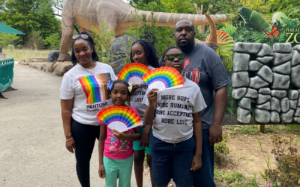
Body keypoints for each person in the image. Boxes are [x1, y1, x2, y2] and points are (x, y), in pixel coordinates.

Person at [171, 19, 231, 187]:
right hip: (177, 129)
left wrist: (217, 123)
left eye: (188, 29)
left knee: (203, 179)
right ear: (174, 34)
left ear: (194, 34)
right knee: (182, 178)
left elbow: (221, 87)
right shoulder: (170, 56)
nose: (183, 33)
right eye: (179, 30)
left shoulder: (207, 54)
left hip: (203, 127)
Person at [143, 46, 207, 187]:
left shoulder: (193, 88)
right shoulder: (154, 87)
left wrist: (198, 154)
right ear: (164, 62)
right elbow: (147, 120)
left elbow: (197, 121)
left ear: (185, 61)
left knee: (184, 183)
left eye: (180, 56)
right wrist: (151, 105)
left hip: (184, 145)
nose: (176, 59)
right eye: (171, 57)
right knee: (159, 183)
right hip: (160, 143)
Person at [60, 31, 117, 187]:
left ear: (92, 48)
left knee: (112, 158)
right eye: (77, 51)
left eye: (84, 48)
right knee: (83, 161)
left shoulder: (106, 68)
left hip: (108, 124)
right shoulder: (70, 76)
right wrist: (68, 136)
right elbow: (65, 110)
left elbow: (115, 93)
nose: (81, 53)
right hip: (82, 125)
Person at [98, 80, 142, 187]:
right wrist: (100, 164)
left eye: (123, 93)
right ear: (110, 93)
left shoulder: (132, 112)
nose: (119, 96)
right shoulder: (106, 113)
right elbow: (102, 138)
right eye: (115, 92)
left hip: (126, 158)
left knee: (125, 185)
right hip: (109, 158)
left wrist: (125, 136)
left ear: (128, 95)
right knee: (109, 184)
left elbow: (138, 135)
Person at [130, 40, 159, 187]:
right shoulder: (129, 74)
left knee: (151, 159)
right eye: (133, 54)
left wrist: (147, 131)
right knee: (137, 157)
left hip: (151, 124)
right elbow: (124, 99)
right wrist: (130, 92)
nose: (135, 56)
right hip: (134, 123)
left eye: (139, 53)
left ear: (147, 53)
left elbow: (156, 104)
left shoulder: (154, 73)